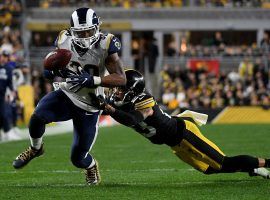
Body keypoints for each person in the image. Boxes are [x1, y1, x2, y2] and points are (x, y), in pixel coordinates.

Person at [12, 7, 126, 185]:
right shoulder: (63, 39)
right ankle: (36, 148)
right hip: (67, 94)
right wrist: (51, 71)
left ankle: (91, 166)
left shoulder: (106, 44)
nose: (86, 36)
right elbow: (54, 61)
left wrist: (94, 80)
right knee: (37, 117)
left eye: (89, 31)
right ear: (72, 32)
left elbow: (121, 79)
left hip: (90, 104)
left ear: (97, 27)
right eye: (81, 33)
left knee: (78, 159)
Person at [102, 69, 270, 179]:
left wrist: (110, 110)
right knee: (210, 169)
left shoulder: (144, 101)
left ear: (132, 91)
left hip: (184, 134)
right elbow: (119, 115)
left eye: (121, 89)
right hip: (174, 144)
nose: (117, 91)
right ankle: (253, 168)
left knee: (223, 162)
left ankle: (267, 163)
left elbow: (132, 120)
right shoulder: (125, 102)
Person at [0, 51, 18, 141]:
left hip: (2, 95)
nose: (4, 58)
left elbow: (10, 83)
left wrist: (12, 91)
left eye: (5, 57)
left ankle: (6, 132)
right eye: (3, 56)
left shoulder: (9, 68)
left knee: (3, 114)